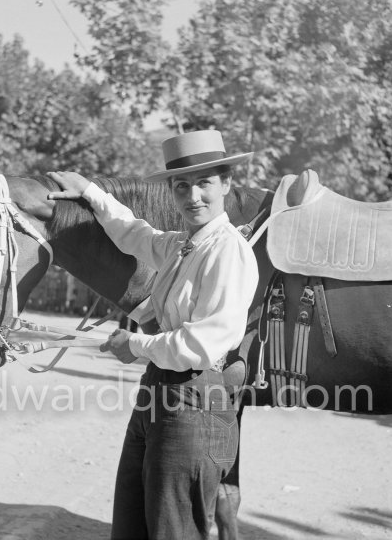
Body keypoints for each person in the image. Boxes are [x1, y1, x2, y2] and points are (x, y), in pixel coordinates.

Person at [47, 130, 259, 540]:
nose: (192, 195)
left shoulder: (228, 251)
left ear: (226, 184)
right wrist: (90, 191)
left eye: (204, 183)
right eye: (182, 186)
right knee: (130, 528)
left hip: (196, 405)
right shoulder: (185, 245)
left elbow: (201, 345)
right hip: (157, 397)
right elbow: (134, 233)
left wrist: (135, 345)